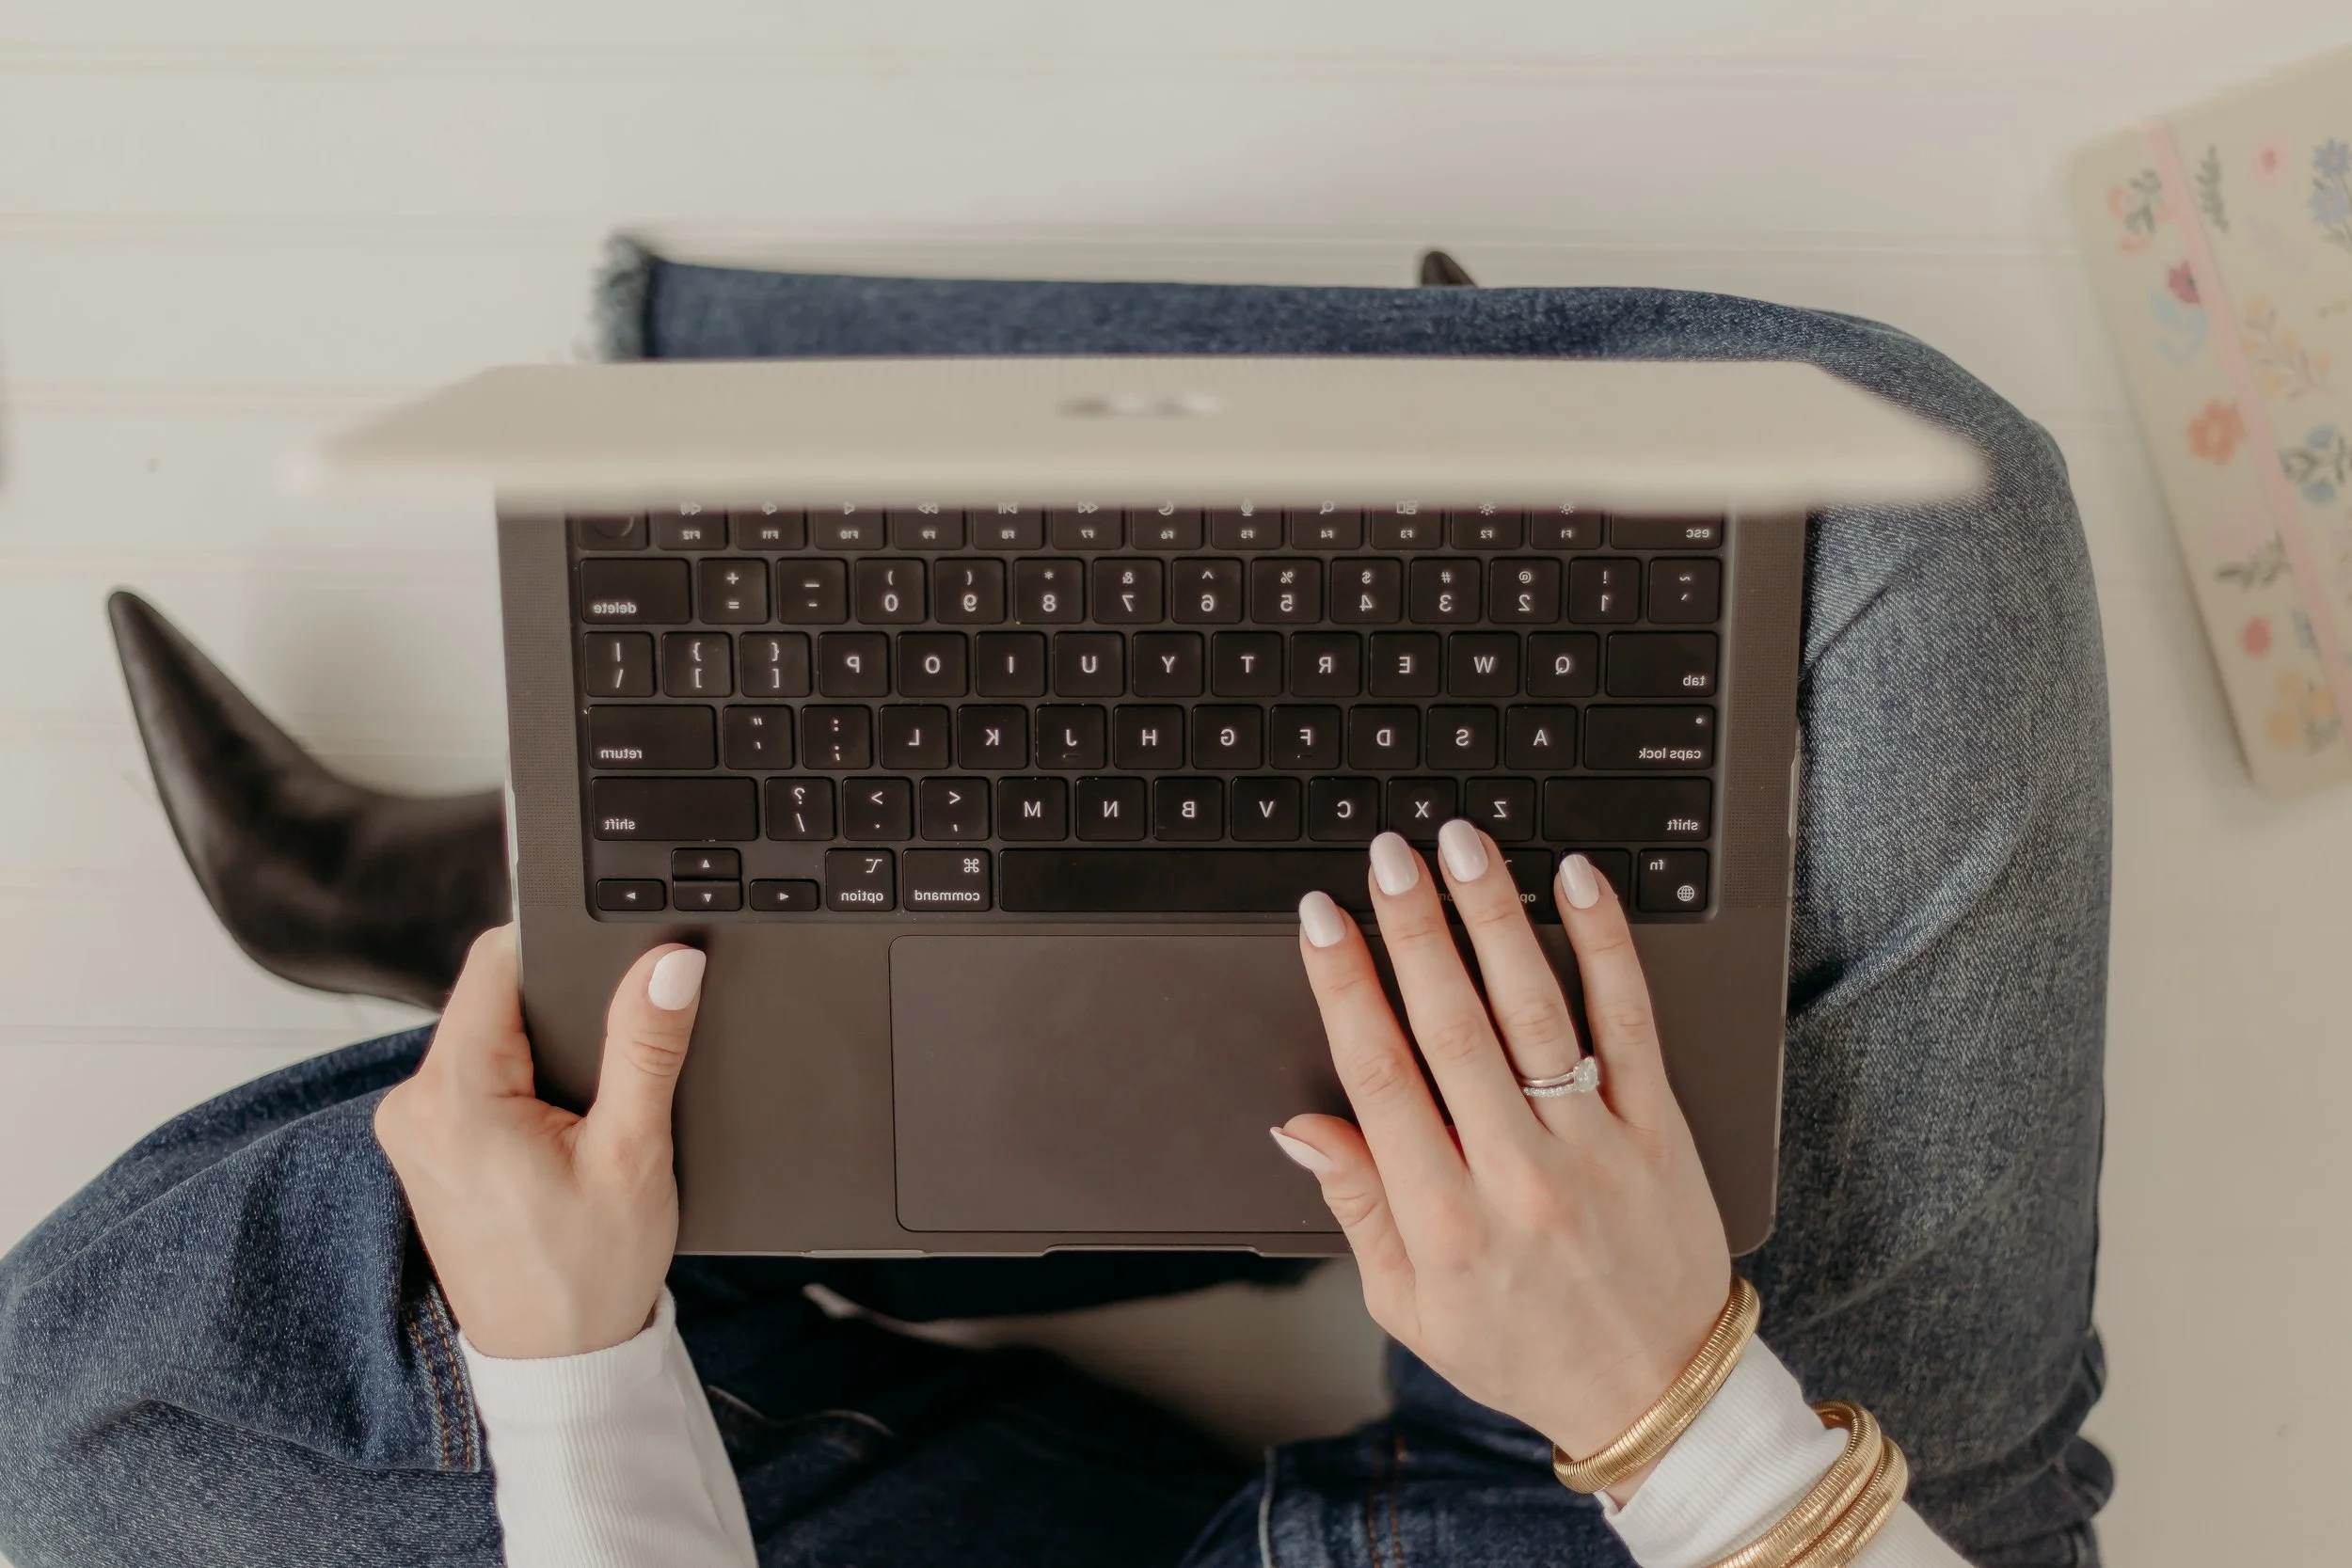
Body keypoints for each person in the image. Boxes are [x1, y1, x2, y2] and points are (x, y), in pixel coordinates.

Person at [0, 274, 2114, 1567]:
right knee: (1896, 511)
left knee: (91, 1417)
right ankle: (1352, 760)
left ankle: (631, 922)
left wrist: (578, 1368)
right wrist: (1669, 1402)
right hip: (1687, 1531)